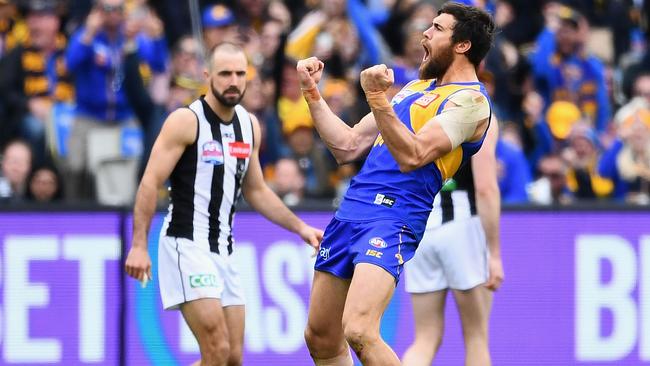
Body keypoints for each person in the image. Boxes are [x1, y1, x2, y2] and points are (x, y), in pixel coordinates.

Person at [297, 3, 496, 365]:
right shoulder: (414, 90)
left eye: (436, 28)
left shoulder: (470, 102)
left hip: (394, 216)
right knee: (320, 336)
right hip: (351, 210)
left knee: (359, 329)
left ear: (462, 45)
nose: (425, 33)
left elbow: (414, 155)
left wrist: (376, 99)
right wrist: (313, 94)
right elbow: (348, 145)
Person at [124, 42, 323, 366]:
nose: (233, 81)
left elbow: (256, 190)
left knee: (231, 358)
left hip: (224, 250)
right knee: (215, 350)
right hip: (186, 244)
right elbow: (149, 182)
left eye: (240, 74)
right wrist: (138, 245)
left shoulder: (249, 125)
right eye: (225, 73)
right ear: (207, 76)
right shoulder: (185, 121)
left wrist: (300, 228)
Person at [401, 120, 503, 366]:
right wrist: (495, 254)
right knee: (477, 337)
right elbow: (486, 188)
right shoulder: (478, 111)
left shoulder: (420, 107)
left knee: (425, 338)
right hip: (462, 225)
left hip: (421, 226)